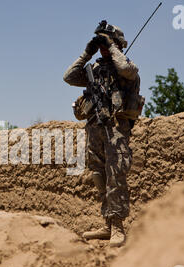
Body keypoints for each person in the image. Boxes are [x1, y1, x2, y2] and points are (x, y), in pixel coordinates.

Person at [63, 21, 141, 247]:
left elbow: (128, 70)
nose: (104, 46)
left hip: (117, 128)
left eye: (107, 41)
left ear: (117, 43)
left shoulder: (126, 68)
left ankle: (117, 226)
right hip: (95, 127)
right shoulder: (94, 70)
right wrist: (88, 52)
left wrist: (111, 46)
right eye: (102, 41)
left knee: (115, 173)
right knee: (98, 174)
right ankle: (107, 223)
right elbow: (68, 77)